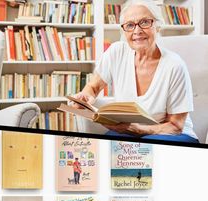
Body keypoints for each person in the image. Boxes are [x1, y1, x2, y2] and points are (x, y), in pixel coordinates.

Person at [74, 0, 199, 143]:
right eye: (130, 25)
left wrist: (139, 130)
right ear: (123, 30)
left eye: (145, 22)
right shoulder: (116, 52)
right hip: (130, 131)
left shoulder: (174, 65)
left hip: (173, 134)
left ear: (157, 27)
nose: (137, 31)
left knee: (142, 152)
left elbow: (176, 126)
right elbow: (93, 87)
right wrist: (86, 97)